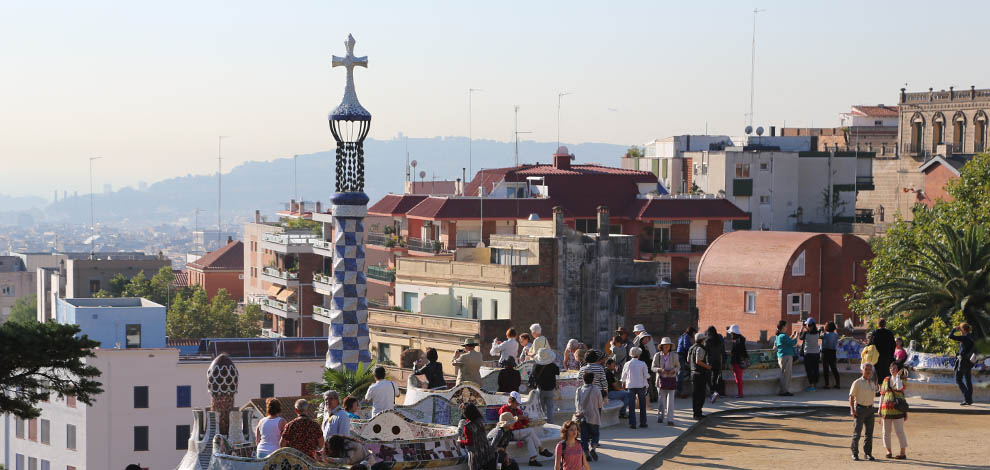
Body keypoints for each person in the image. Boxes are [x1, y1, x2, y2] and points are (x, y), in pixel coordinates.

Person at [498, 391, 552, 466]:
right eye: (516, 403)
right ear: (510, 401)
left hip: (518, 433)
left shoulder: (517, 410)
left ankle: (532, 459)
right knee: (530, 431)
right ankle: (541, 449)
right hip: (509, 433)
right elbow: (504, 422)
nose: (517, 405)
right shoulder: (504, 409)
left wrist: (525, 418)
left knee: (529, 438)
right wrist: (516, 418)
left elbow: (526, 422)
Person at [879, 362, 908, 459]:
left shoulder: (902, 379)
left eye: (895, 368)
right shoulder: (886, 379)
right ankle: (888, 451)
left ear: (899, 370)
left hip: (898, 410)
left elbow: (899, 388)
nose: (892, 369)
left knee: (900, 431)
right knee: (885, 431)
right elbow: (882, 394)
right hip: (886, 409)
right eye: (891, 368)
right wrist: (879, 409)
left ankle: (903, 452)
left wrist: (898, 377)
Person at [849, 363, 877, 461]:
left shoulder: (872, 383)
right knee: (857, 433)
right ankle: (854, 453)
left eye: (870, 369)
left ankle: (868, 453)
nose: (869, 371)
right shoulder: (857, 382)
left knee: (869, 434)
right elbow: (851, 397)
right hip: (860, 409)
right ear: (862, 370)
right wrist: (852, 410)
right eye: (866, 369)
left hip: (870, 409)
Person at [575, 372, 604, 462]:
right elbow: (600, 404)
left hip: (583, 417)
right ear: (592, 380)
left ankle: (586, 453)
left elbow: (577, 405)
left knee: (584, 436)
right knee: (595, 434)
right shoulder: (596, 390)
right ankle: (594, 448)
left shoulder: (579, 390)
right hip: (594, 416)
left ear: (583, 380)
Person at [458, 403, 497, 470]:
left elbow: (469, 442)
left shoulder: (468, 427)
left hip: (476, 456)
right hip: (486, 452)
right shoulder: (480, 420)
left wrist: (460, 441)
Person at [620, 346, 650, 428]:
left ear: (630, 354)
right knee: (642, 405)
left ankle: (632, 423)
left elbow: (624, 375)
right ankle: (643, 423)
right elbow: (646, 375)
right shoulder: (642, 364)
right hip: (641, 386)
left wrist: (623, 382)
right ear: (639, 354)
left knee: (631, 405)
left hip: (631, 386)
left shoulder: (627, 364)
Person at [652, 337, 679, 426]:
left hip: (671, 379)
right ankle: (660, 417)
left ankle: (670, 419)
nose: (667, 347)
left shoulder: (674, 355)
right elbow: (653, 367)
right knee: (661, 401)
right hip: (661, 380)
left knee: (670, 401)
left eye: (668, 345)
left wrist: (674, 370)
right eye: (665, 345)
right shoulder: (657, 355)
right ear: (662, 346)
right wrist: (660, 369)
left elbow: (678, 367)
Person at [530, 348, 560, 425]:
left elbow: (533, 376)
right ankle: (551, 424)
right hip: (550, 389)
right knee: (550, 408)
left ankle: (542, 424)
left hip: (540, 389)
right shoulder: (553, 366)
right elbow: (558, 372)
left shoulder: (536, 366)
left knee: (541, 409)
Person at [949, 323, 976, 405]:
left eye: (960, 329)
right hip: (970, 361)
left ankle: (967, 396)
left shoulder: (965, 338)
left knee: (958, 379)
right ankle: (969, 400)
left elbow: (950, 336)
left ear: (964, 330)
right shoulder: (971, 336)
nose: (959, 330)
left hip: (963, 361)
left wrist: (954, 329)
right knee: (968, 380)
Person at [688, 332, 711, 420]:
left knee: (695, 395)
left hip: (693, 373)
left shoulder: (691, 348)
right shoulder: (701, 349)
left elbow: (688, 360)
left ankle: (696, 413)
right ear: (702, 340)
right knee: (701, 395)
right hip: (700, 374)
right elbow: (698, 361)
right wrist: (708, 366)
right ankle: (698, 413)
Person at [773, 320, 797, 396]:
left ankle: (784, 390)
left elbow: (786, 342)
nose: (787, 327)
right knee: (786, 374)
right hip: (786, 357)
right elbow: (792, 343)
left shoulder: (779, 336)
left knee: (784, 374)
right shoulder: (783, 336)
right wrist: (796, 337)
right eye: (786, 326)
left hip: (782, 356)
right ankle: (784, 391)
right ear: (783, 327)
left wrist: (792, 336)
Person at [872, 319, 897, 387]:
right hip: (887, 356)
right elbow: (893, 344)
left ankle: (879, 388)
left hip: (877, 356)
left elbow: (871, 344)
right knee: (886, 371)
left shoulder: (875, 332)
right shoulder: (889, 333)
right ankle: (886, 387)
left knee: (877, 372)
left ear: (878, 324)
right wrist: (891, 354)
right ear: (885, 324)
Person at [704, 326, 725, 403]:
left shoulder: (707, 340)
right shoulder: (719, 340)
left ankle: (712, 392)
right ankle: (715, 392)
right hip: (718, 361)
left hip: (709, 362)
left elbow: (704, 351)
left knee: (708, 378)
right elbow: (722, 351)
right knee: (715, 378)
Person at [801, 318, 822, 392]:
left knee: (809, 370)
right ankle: (815, 384)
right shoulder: (817, 333)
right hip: (816, 353)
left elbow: (800, 337)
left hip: (808, 354)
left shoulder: (806, 334)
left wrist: (803, 327)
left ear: (808, 325)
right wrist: (806, 327)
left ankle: (811, 385)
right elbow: (816, 330)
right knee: (816, 369)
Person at [728, 325, 748, 399]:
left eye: (731, 333)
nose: (730, 334)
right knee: (739, 378)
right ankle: (740, 393)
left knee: (738, 379)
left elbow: (734, 354)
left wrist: (731, 363)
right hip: (740, 362)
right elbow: (744, 351)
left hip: (737, 362)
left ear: (733, 333)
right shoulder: (741, 340)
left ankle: (740, 394)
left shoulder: (736, 342)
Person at [676, 327, 696, 398]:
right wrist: (693, 347)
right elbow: (686, 346)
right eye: (694, 333)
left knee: (683, 372)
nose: (694, 335)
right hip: (681, 355)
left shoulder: (682, 335)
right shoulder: (686, 336)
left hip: (680, 355)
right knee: (681, 372)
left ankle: (680, 390)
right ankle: (679, 391)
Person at [822, 321, 841, 389]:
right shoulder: (836, 335)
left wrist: (822, 331)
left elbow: (821, 337)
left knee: (825, 369)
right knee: (834, 368)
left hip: (825, 351)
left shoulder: (825, 334)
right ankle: (838, 383)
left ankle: (827, 384)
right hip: (833, 352)